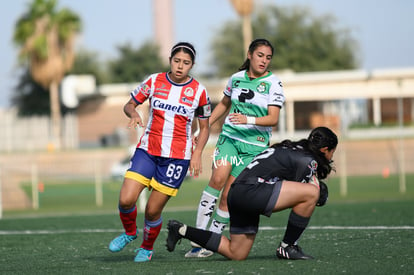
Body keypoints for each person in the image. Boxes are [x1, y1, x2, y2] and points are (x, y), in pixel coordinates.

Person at [167, 126, 338, 261]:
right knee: (312, 193)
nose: (331, 156)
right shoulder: (307, 160)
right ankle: (288, 246)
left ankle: (181, 230)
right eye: (332, 151)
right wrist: (319, 193)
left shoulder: (294, 147)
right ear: (324, 149)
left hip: (237, 192)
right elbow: (304, 196)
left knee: (236, 253)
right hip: (252, 191)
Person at [108, 42, 211, 263]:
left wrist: (197, 153)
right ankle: (129, 233)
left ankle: (146, 248)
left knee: (153, 211)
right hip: (148, 150)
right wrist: (133, 113)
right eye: (177, 61)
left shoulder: (199, 92)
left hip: (177, 157)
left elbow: (205, 127)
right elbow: (129, 104)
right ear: (170, 60)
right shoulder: (154, 81)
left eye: (186, 63)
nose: (180, 66)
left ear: (192, 65)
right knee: (126, 200)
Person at [185, 38, 285, 258]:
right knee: (218, 178)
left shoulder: (274, 83)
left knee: (229, 196)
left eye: (268, 57)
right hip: (229, 138)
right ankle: (198, 235)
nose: (264, 61)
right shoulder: (236, 79)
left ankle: (209, 242)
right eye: (260, 55)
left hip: (254, 148)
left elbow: (273, 118)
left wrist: (248, 119)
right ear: (249, 54)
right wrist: (204, 127)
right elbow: (223, 104)